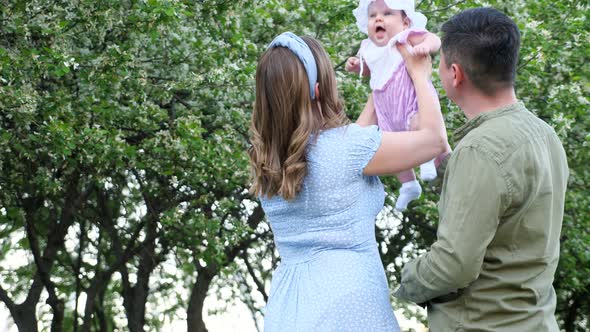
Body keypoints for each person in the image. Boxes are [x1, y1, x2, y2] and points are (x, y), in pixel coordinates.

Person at [249, 32, 449, 331]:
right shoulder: (349, 150)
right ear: (318, 88)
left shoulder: (267, 160)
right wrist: (420, 75)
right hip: (350, 307)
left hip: (288, 311)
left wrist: (383, 80)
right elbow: (434, 141)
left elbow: (341, 151)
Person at [394, 7, 569, 331]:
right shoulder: (545, 135)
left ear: (455, 74)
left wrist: (407, 279)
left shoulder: (479, 151)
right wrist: (447, 159)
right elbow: (510, 206)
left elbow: (453, 266)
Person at [346, 0, 442, 211]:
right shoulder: (368, 48)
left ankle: (427, 159)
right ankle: (409, 184)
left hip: (408, 102)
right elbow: (372, 70)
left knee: (418, 124)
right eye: (373, 16)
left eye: (387, 13)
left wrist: (427, 45)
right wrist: (356, 66)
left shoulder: (404, 37)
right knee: (390, 147)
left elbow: (433, 38)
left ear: (406, 22)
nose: (378, 18)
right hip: (386, 111)